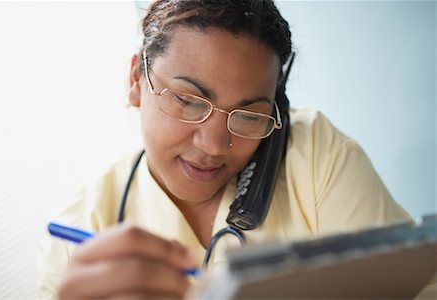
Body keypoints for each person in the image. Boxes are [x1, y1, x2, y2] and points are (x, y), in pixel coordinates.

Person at [37, 0, 416, 299]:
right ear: (136, 80)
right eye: (188, 100)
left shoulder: (315, 150)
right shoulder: (78, 230)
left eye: (250, 116)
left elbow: (417, 289)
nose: (214, 145)